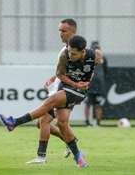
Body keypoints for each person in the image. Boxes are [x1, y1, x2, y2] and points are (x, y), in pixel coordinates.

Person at [0, 35, 102, 168]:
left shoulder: (94, 55)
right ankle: (78, 157)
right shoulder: (64, 55)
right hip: (67, 86)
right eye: (70, 52)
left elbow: (95, 64)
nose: (71, 55)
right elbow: (60, 75)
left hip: (79, 92)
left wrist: (87, 81)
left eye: (74, 53)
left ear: (83, 51)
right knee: (62, 124)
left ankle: (15, 122)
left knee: (51, 101)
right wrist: (75, 83)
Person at [27, 18, 79, 164]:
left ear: (73, 31)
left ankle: (41, 157)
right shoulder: (66, 49)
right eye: (59, 31)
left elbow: (78, 71)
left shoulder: (75, 49)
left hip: (65, 92)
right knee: (45, 123)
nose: (60, 34)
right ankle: (71, 142)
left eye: (64, 31)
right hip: (60, 89)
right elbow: (65, 71)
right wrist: (53, 78)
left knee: (44, 120)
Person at [84, 41, 108, 126]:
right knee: (91, 104)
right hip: (90, 85)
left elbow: (105, 71)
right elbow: (105, 72)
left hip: (96, 85)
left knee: (95, 104)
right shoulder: (87, 57)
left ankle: (97, 122)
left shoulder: (103, 58)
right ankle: (89, 122)